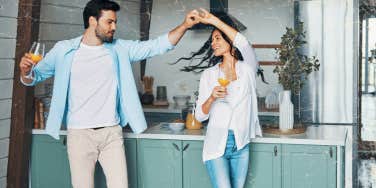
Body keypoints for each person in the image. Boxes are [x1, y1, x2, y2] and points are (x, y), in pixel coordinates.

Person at [19, 0, 201, 187]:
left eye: (115, 22)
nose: (114, 27)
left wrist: (185, 25)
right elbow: (34, 77)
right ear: (92, 21)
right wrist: (26, 72)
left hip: (111, 133)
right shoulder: (64, 50)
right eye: (109, 22)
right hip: (79, 135)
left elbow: (157, 46)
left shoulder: (119, 48)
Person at [175, 9, 262, 188]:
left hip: (241, 144)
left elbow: (244, 44)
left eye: (217, 38)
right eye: (212, 39)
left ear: (230, 42)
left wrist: (214, 20)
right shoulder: (210, 75)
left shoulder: (247, 70)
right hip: (217, 144)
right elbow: (199, 116)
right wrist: (211, 98)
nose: (213, 43)